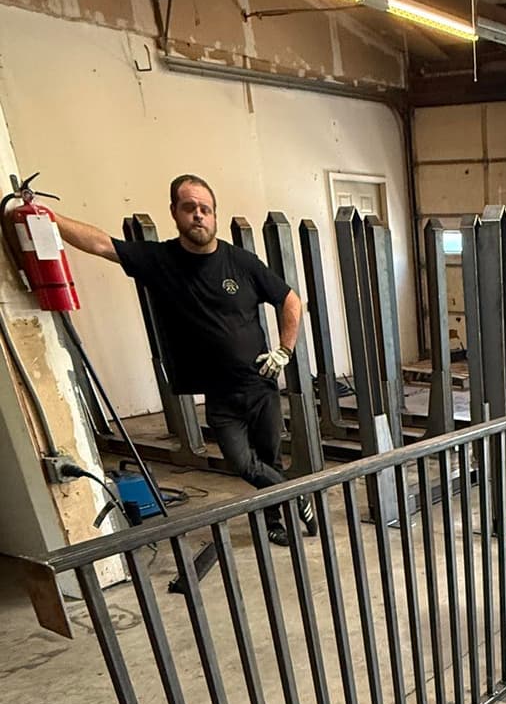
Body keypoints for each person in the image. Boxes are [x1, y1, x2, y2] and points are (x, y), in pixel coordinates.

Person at [51, 173, 316, 546]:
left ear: (215, 216)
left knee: (269, 461)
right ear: (175, 212)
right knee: (243, 464)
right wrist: (50, 220)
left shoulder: (241, 262)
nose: (198, 216)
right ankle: (296, 494)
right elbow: (101, 245)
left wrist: (284, 351)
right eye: (189, 207)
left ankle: (276, 519)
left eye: (205, 209)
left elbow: (291, 300)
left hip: (260, 385)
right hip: (219, 395)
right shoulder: (160, 260)